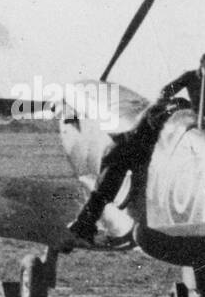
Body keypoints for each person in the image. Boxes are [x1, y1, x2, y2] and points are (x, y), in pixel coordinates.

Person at [66, 100, 181, 244]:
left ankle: (84, 227)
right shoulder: (148, 129)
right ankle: (81, 228)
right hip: (119, 156)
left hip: (120, 153)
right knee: (103, 194)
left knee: (105, 195)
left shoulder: (149, 123)